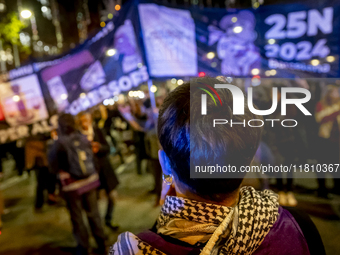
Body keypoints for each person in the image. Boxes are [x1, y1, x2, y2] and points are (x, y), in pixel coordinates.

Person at [110, 77, 324, 255]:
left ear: (164, 163)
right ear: (250, 158)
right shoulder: (299, 227)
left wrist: (166, 219)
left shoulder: (134, 250)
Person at [48, 114, 106, 255]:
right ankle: (101, 244)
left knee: (77, 217)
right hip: (90, 181)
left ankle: (83, 247)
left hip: (72, 186)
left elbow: (52, 167)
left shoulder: (59, 142)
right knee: (94, 214)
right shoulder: (83, 137)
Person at [77, 111, 119, 230]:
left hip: (105, 170)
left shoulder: (97, 131)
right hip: (91, 172)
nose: (86, 122)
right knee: (93, 203)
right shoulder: (78, 135)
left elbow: (107, 148)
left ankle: (108, 219)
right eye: (83, 120)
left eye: (88, 119)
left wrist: (99, 147)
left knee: (112, 197)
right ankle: (98, 227)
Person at [315, 85, 340, 197]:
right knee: (322, 164)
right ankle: (322, 189)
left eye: (335, 92)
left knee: (336, 165)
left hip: (337, 140)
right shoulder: (322, 104)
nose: (334, 94)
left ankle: (337, 187)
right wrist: (335, 110)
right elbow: (320, 118)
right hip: (324, 138)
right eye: (332, 92)